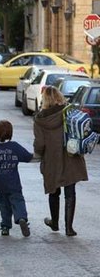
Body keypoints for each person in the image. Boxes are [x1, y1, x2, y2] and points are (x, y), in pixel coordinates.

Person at [33, 85, 88, 236]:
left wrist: (37, 154)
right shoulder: (68, 111)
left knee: (53, 191)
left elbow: (40, 144)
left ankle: (55, 222)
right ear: (59, 96)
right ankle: (69, 228)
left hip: (52, 159)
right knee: (70, 192)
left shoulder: (40, 119)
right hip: (70, 156)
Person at [0, 119, 34, 237]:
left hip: (0, 183)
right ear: (11, 133)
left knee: (4, 203)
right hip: (13, 182)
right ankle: (21, 218)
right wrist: (42, 157)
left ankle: (5, 226)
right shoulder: (14, 146)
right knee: (18, 200)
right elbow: (28, 157)